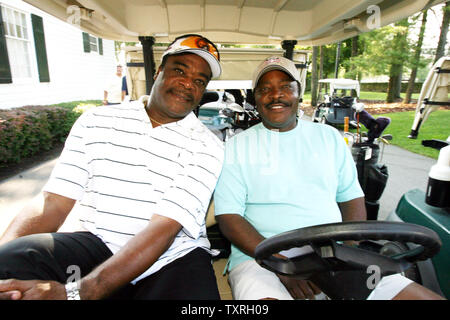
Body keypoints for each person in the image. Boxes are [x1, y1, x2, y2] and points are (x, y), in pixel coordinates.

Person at [0, 34, 224, 300]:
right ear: (159, 71)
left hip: (171, 258)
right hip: (99, 246)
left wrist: (76, 293)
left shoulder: (209, 146)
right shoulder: (95, 120)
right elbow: (54, 201)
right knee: (13, 259)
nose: (188, 83)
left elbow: (164, 228)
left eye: (200, 81)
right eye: (179, 70)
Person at [213, 56, 445, 300]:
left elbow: (352, 199)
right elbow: (229, 217)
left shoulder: (329, 138)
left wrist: (344, 254)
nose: (276, 95)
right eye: (265, 89)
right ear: (256, 98)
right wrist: (281, 264)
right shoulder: (236, 147)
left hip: (331, 253)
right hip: (260, 258)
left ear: (298, 93)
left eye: (285, 87)